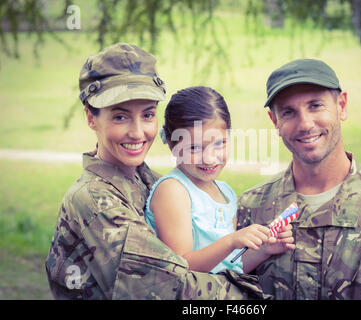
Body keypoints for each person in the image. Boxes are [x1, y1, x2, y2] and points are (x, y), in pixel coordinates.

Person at [45, 43, 270, 300]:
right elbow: (169, 287)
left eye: (148, 115)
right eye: (120, 117)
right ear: (91, 118)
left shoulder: (146, 179)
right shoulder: (95, 200)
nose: (138, 132)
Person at [236, 59, 361, 300]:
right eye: (288, 112)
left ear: (342, 106)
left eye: (316, 106)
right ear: (275, 122)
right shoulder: (250, 208)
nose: (305, 124)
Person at [144, 86, 295, 275]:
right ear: (172, 143)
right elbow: (181, 267)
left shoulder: (225, 192)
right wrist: (231, 241)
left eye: (219, 143)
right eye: (194, 148)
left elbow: (229, 268)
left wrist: (265, 250)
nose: (209, 158)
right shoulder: (174, 191)